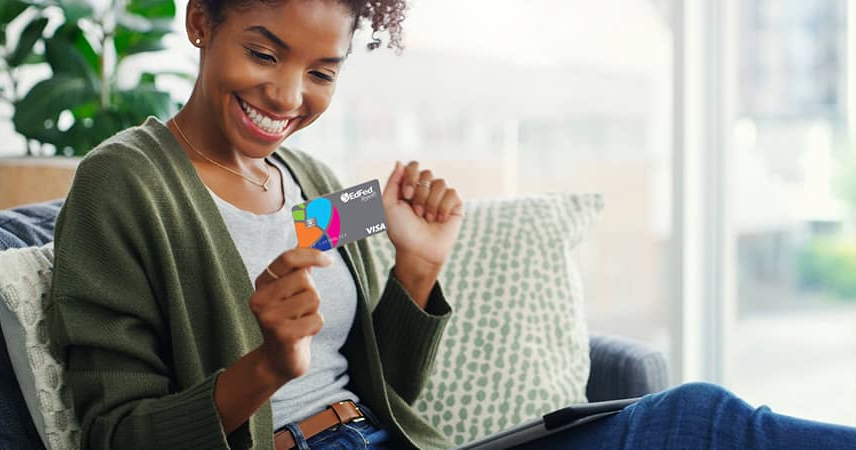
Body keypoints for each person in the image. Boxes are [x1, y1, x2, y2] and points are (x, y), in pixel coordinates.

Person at [45, 0, 856, 449]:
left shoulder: (317, 186)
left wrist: (417, 268)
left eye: (321, 71)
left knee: (695, 419)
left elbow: (384, 386)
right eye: (264, 53)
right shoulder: (124, 183)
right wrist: (267, 365)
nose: (290, 96)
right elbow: (118, 436)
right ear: (200, 23)